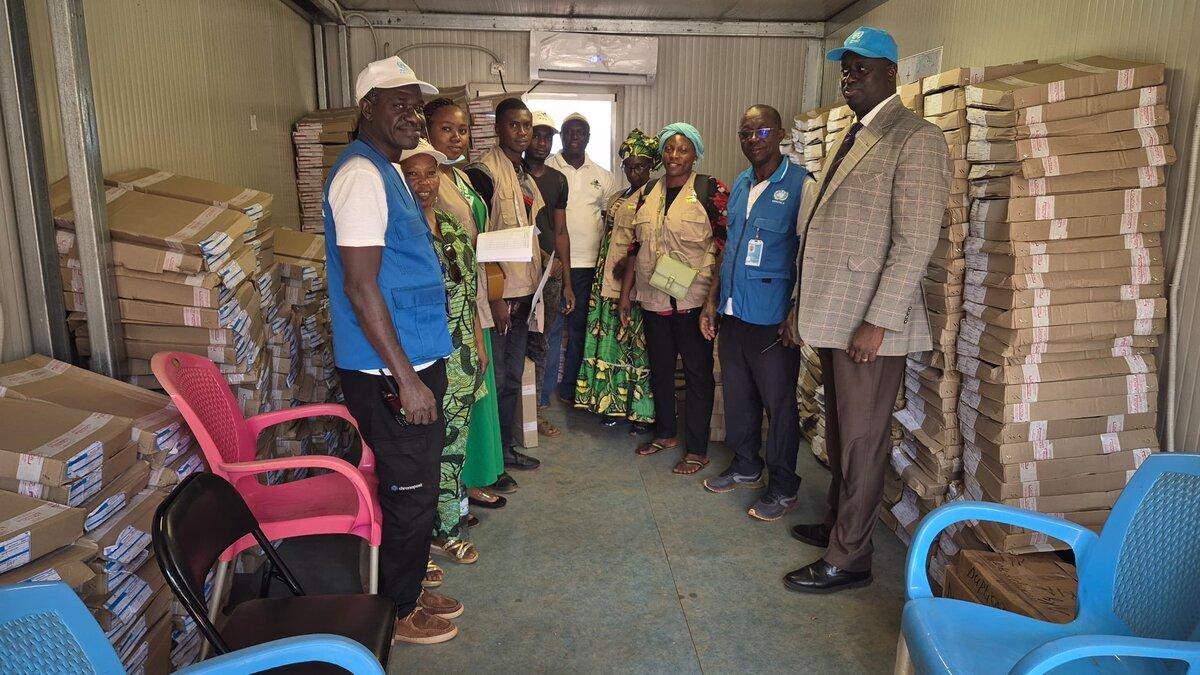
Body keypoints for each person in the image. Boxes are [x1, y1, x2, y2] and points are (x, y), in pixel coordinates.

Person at [783, 27, 950, 594]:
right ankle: (839, 525)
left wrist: (879, 321)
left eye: (860, 68)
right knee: (841, 431)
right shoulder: (854, 136)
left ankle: (850, 557)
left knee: (862, 441)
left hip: (870, 326)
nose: (848, 78)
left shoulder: (916, 138)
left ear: (891, 75)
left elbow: (915, 240)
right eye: (845, 69)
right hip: (837, 317)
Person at [324, 56, 462, 644]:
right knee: (408, 491)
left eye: (416, 104)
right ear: (366, 109)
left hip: (413, 357)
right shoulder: (361, 175)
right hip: (389, 371)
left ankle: (406, 584)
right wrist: (406, 380)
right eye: (397, 103)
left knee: (419, 484)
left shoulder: (389, 169)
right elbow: (360, 284)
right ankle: (398, 612)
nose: (412, 115)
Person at [700, 105, 810, 522]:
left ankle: (783, 488)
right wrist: (713, 302)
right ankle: (746, 465)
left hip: (772, 318)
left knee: (778, 405)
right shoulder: (743, 183)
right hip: (734, 312)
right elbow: (727, 251)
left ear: (780, 134)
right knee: (739, 397)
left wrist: (796, 313)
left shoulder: (800, 185)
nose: (752, 139)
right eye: (745, 132)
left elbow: (808, 255)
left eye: (761, 131)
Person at [617, 123, 728, 476]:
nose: (674, 156)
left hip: (693, 301)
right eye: (668, 149)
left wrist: (712, 302)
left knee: (697, 375)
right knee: (661, 371)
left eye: (682, 150)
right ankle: (665, 433)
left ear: (695, 153)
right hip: (654, 299)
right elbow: (636, 246)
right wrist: (625, 296)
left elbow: (723, 247)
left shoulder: (711, 189)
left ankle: (697, 449)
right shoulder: (649, 190)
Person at [398, 140, 486, 566]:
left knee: (454, 447)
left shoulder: (452, 226)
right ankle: (416, 545)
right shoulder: (397, 234)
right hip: (423, 360)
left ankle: (448, 529)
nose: (422, 183)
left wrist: (480, 344)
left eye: (429, 173)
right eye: (411, 175)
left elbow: (470, 290)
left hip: (464, 356)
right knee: (419, 452)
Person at [423, 97, 512, 510]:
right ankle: (455, 489)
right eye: (446, 129)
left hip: (476, 293)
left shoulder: (460, 178)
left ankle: (474, 478)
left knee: (479, 389)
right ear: (426, 131)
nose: (456, 137)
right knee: (459, 395)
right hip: (451, 304)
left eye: (462, 130)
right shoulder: (425, 182)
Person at [466, 98, 546, 473]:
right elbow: (479, 240)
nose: (522, 132)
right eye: (514, 125)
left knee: (513, 375)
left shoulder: (524, 173)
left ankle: (508, 450)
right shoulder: (483, 173)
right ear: (498, 128)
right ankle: (492, 460)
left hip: (524, 290)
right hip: (501, 296)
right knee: (496, 379)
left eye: (526, 126)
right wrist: (495, 298)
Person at [575, 129, 659, 432]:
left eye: (640, 166)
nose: (634, 172)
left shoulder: (655, 195)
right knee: (609, 341)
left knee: (634, 344)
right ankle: (610, 402)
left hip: (633, 282)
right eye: (629, 166)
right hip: (605, 278)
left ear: (651, 165)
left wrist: (629, 265)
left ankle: (639, 410)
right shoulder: (618, 195)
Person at [547, 113, 617, 405]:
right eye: (568, 132)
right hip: (553, 263)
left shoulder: (602, 176)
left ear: (588, 137)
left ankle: (571, 388)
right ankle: (542, 391)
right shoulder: (548, 168)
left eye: (580, 132)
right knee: (550, 328)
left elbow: (612, 215)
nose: (574, 136)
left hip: (587, 266)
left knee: (579, 329)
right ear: (561, 136)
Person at [524, 111, 574, 438]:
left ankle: (538, 409)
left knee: (543, 341)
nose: (542, 143)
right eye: (537, 135)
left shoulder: (558, 180)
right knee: (518, 342)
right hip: (522, 272)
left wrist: (567, 281)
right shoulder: (515, 174)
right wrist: (540, 257)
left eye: (547, 137)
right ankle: (519, 410)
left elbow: (560, 231)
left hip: (551, 276)